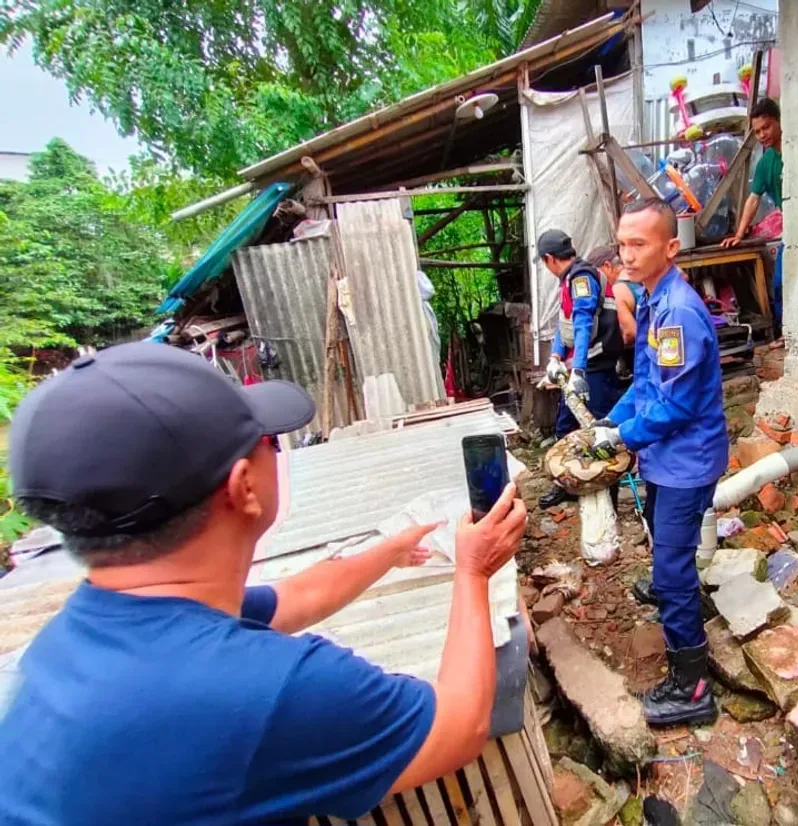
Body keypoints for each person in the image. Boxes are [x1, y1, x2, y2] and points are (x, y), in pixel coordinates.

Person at [0, 342, 527, 826]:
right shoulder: (273, 689)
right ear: (243, 486)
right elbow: (457, 726)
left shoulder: (71, 641)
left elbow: (297, 597)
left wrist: (388, 552)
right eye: (270, 443)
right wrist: (472, 570)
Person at [585, 198, 729, 727]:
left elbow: (676, 404)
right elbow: (647, 384)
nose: (626, 254)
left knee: (670, 566)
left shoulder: (678, 312)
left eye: (639, 244)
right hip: (664, 457)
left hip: (687, 461)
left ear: (671, 247)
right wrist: (609, 422)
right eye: (622, 243)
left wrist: (622, 436)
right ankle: (675, 585)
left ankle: (692, 689)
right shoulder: (650, 299)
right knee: (663, 543)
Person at [538, 229, 625, 509]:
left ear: (549, 259)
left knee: (598, 428)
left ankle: (607, 495)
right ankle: (566, 484)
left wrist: (578, 370)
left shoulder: (582, 278)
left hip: (596, 368)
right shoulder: (569, 280)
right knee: (565, 425)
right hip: (582, 366)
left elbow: (583, 323)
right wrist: (554, 356)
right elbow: (565, 325)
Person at [721, 97, 784, 341]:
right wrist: (739, 234)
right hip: (791, 232)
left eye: (766, 127)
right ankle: (784, 334)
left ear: (779, 122)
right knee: (779, 284)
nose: (762, 135)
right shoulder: (765, 163)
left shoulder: (796, 148)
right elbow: (753, 199)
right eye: (757, 131)